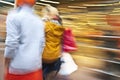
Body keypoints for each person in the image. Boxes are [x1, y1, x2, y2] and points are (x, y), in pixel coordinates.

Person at [4, 0, 45, 80]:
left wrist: (7, 60)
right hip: (35, 68)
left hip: (18, 68)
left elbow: (12, 43)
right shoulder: (39, 20)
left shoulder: (13, 17)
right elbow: (42, 44)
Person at [41, 5, 64, 80]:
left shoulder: (45, 25)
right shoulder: (60, 27)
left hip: (44, 56)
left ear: (48, 14)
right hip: (56, 56)